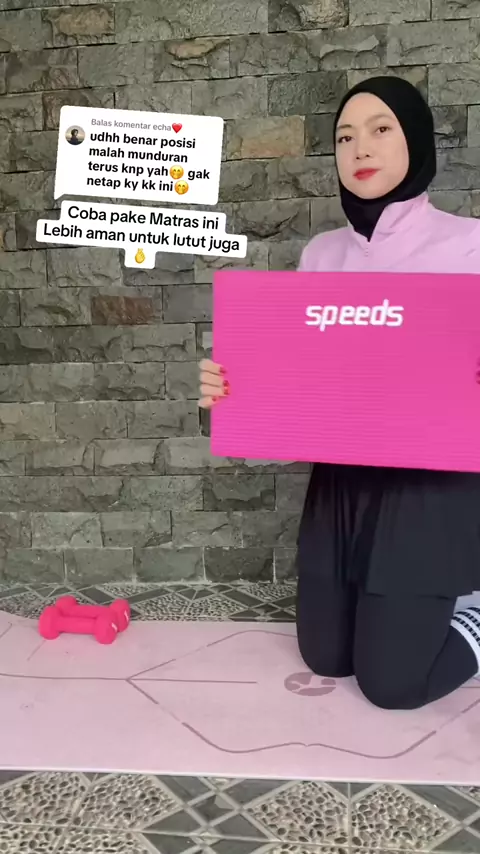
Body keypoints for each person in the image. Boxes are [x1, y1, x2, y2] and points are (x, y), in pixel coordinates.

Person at [198, 76, 480, 711]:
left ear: (416, 142)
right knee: (325, 655)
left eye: (381, 129)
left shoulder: (471, 245)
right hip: (342, 483)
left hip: (428, 490)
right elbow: (299, 386)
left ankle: (474, 610)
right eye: (345, 137)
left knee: (393, 684)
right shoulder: (322, 255)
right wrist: (231, 393)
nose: (361, 148)